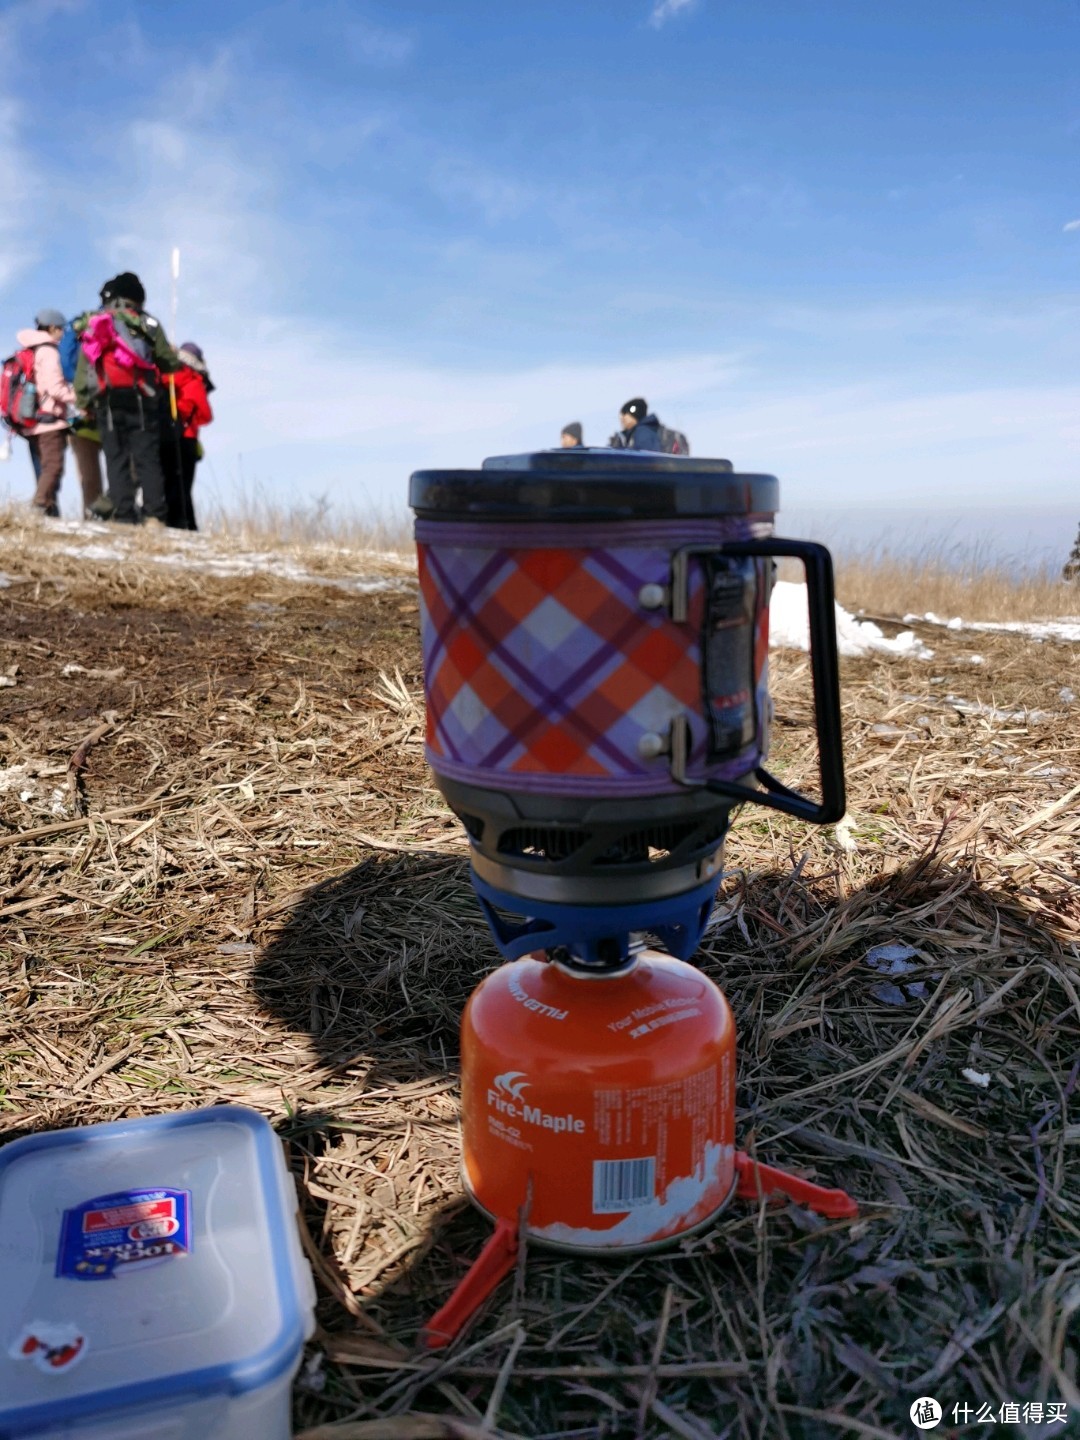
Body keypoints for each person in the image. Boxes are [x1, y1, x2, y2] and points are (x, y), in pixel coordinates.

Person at [74, 272, 179, 525]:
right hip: (142, 397)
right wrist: (171, 357)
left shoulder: (96, 323)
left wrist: (84, 402)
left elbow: (84, 367)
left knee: (116, 458)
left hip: (106, 400)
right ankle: (154, 515)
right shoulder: (148, 324)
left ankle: (124, 516)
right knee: (146, 458)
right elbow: (168, 364)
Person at [15, 308, 76, 518]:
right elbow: (54, 387)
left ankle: (49, 510)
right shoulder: (48, 351)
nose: (63, 334)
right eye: (62, 329)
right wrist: (79, 396)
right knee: (53, 466)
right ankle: (40, 504)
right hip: (49, 421)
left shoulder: (31, 349)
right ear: (52, 328)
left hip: (32, 420)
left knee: (44, 466)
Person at [160, 341, 213, 530]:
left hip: (165, 436)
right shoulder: (194, 381)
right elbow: (207, 415)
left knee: (168, 481)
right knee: (183, 485)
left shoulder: (165, 377)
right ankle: (185, 524)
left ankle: (168, 520)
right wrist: (193, 419)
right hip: (187, 438)